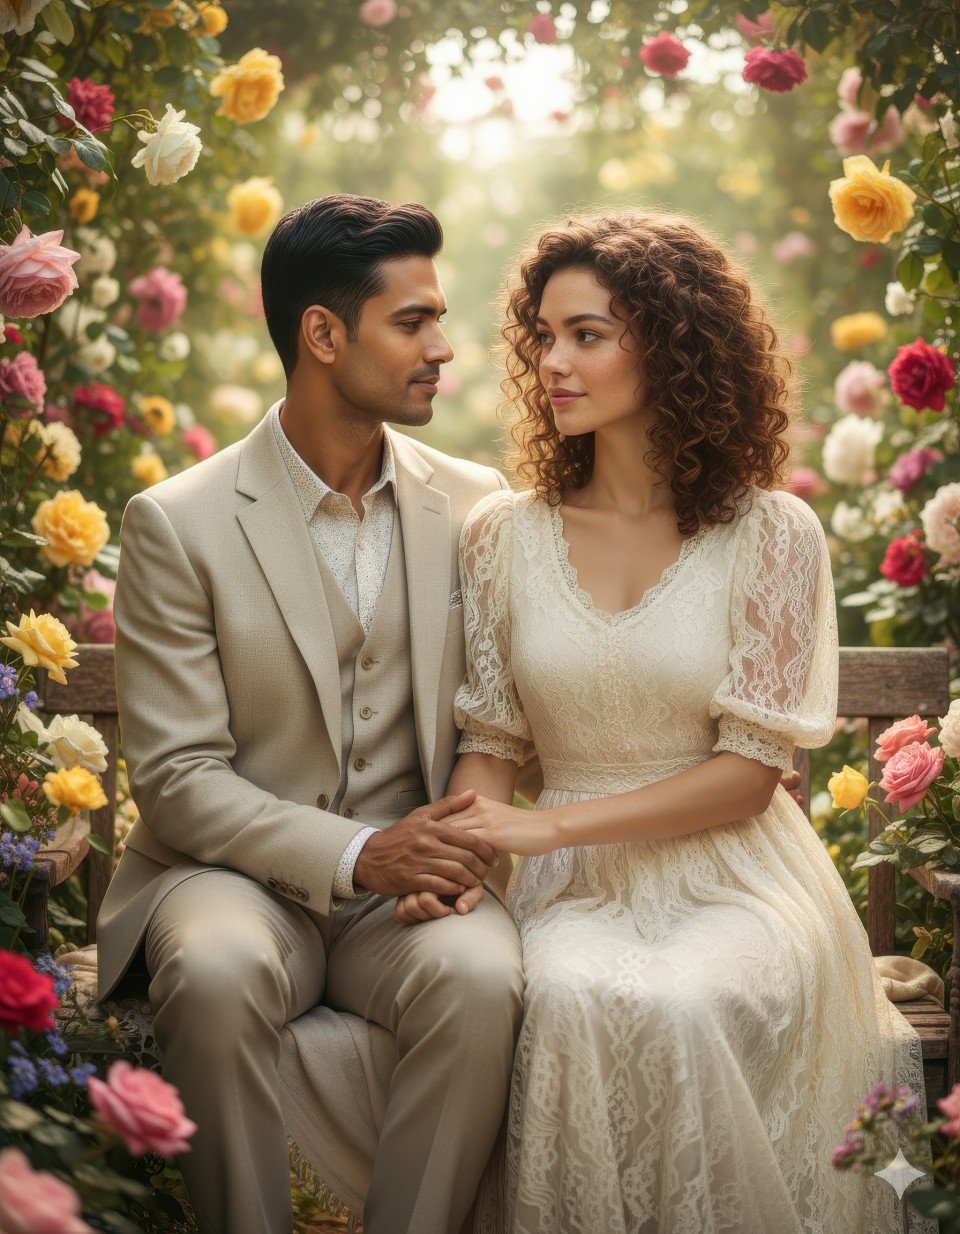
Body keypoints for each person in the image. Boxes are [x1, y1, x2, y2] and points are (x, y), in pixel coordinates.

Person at [402, 211, 927, 1233]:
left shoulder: (772, 532)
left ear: (676, 345)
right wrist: (455, 857)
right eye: (543, 336)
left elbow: (746, 773)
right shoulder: (502, 537)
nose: (552, 361)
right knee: (564, 1000)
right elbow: (496, 744)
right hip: (577, 896)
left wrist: (542, 828)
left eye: (587, 334)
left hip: (739, 880)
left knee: (682, 1004)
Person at [95, 194, 527, 1234]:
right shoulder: (180, 523)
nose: (445, 348)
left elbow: (492, 723)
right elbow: (180, 778)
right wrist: (362, 850)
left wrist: (443, 855)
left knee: (484, 978)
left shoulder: (478, 504)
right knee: (214, 968)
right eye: (413, 322)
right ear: (322, 334)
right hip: (228, 879)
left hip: (411, 901)